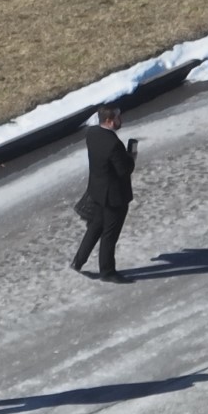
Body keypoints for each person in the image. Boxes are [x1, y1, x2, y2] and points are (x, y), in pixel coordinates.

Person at [72, 105, 137, 283]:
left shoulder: (92, 133)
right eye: (117, 118)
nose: (120, 120)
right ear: (109, 121)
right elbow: (124, 171)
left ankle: (78, 261)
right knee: (110, 234)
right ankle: (107, 272)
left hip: (97, 191)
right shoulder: (114, 144)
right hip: (114, 196)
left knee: (95, 227)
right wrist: (131, 157)